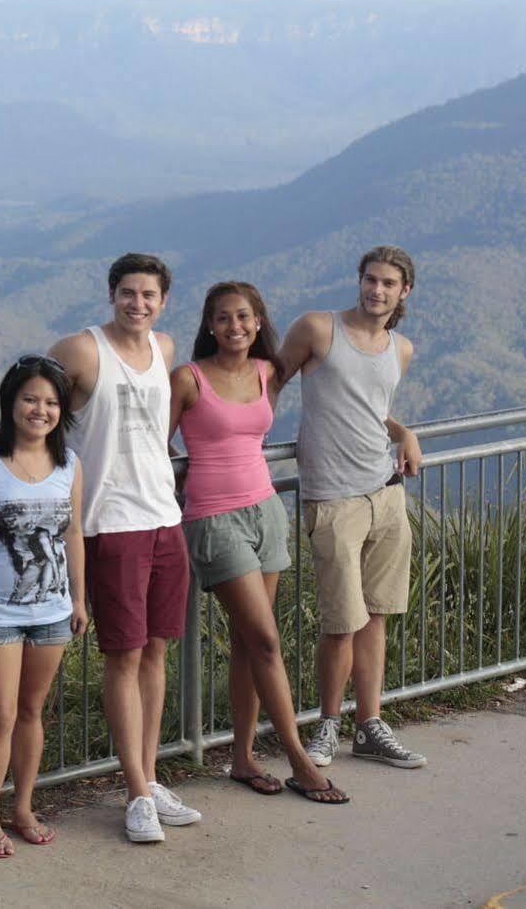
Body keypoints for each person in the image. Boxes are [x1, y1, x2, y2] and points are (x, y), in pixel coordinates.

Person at [170, 281, 347, 805]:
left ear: (258, 320)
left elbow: (335, 397)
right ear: (208, 324)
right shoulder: (189, 378)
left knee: (251, 642)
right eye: (223, 318)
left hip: (267, 512)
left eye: (244, 317)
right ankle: (297, 757)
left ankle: (243, 757)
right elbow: (156, 446)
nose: (234, 327)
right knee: (267, 641)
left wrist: (397, 428)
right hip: (215, 519)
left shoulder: (269, 374)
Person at [47, 253, 200, 845]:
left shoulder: (163, 349)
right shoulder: (81, 351)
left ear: (164, 301)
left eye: (150, 295)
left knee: (156, 651)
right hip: (109, 523)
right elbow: (35, 411)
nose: (139, 304)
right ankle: (135, 792)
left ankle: (151, 778)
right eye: (128, 293)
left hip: (165, 515)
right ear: (111, 294)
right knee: (124, 656)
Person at [277, 245, 427, 770]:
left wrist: (402, 429)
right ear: (359, 280)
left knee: (376, 618)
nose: (376, 290)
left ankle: (369, 723)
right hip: (333, 497)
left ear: (404, 291)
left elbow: (372, 408)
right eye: (370, 280)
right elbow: (268, 383)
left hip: (386, 493)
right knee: (340, 622)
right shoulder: (319, 329)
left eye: (388, 283)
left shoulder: (399, 348)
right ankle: (327, 724)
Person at [0, 356, 88, 858]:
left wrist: (80, 596)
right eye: (30, 399)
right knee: (1, 715)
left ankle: (23, 806)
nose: (40, 410)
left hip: (52, 609)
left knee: (32, 710)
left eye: (51, 402)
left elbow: (73, 533)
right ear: (11, 401)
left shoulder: (69, 464)